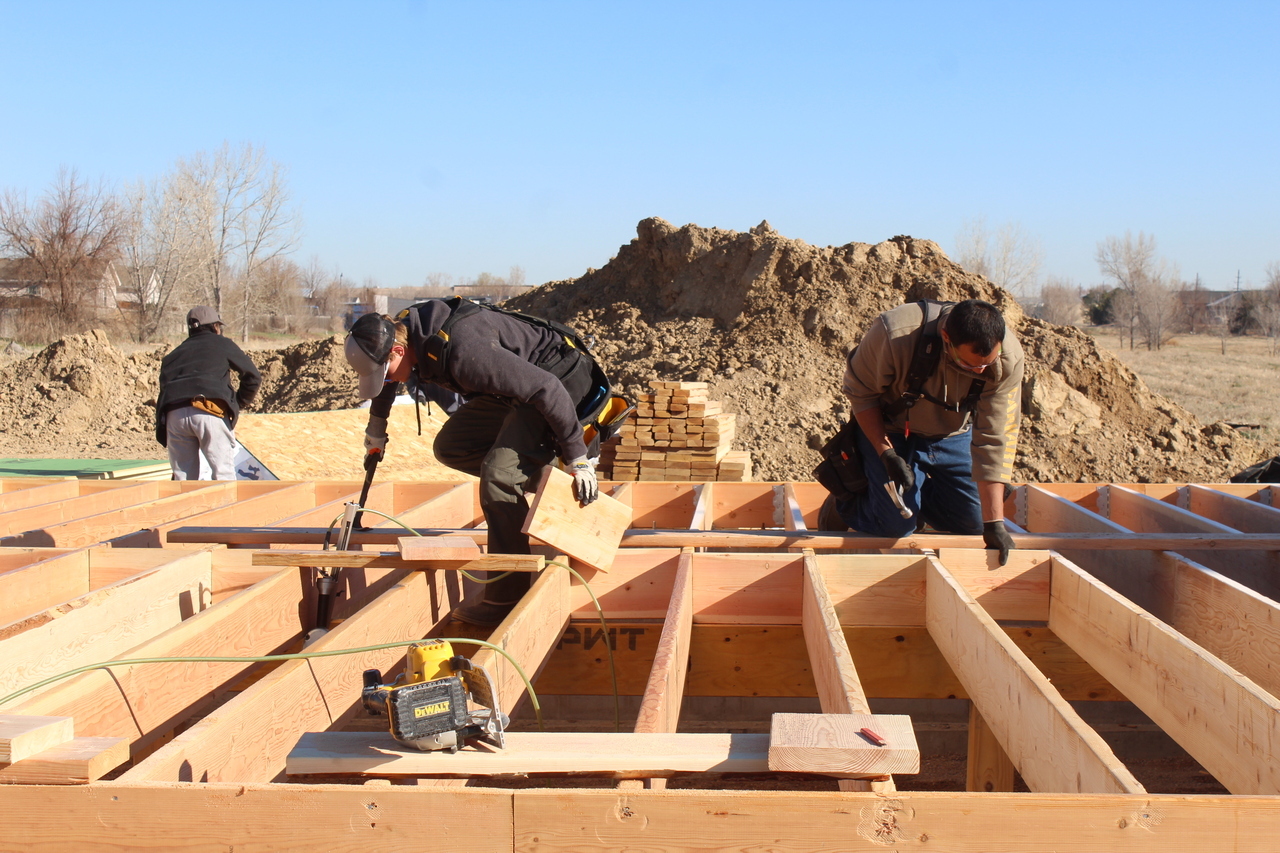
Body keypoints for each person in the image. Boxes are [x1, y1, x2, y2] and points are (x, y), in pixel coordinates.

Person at [343, 298, 606, 626]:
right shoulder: (402, 333)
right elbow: (388, 378)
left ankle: (506, 597)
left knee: (498, 476)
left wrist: (577, 457)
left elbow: (546, 388)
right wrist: (377, 425)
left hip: (560, 384)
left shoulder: (466, 353)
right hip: (516, 389)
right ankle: (550, 485)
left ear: (397, 352)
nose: (387, 378)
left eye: (385, 370)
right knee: (453, 446)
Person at [821, 298, 1023, 564]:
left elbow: (995, 437)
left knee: (975, 522)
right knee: (895, 528)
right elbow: (861, 395)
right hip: (892, 428)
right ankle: (847, 504)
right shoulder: (895, 333)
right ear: (945, 337)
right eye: (971, 366)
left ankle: (913, 500)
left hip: (952, 433)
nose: (981, 371)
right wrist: (886, 455)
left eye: (987, 364)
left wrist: (995, 523)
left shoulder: (1008, 358)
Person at [156, 306, 262, 480]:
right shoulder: (222, 343)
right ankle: (224, 507)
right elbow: (253, 377)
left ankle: (182, 507)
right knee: (223, 476)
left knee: (182, 480)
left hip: (174, 415)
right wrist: (236, 403)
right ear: (215, 327)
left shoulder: (173, 355)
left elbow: (164, 389)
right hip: (209, 411)